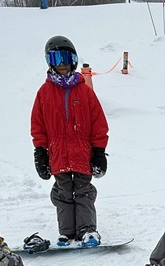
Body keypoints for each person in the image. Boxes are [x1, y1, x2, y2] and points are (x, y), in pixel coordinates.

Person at [31, 35, 109, 248]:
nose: (62, 64)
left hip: (83, 154)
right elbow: (38, 126)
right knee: (63, 192)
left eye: (66, 58)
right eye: (56, 59)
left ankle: (87, 230)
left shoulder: (84, 92)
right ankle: (67, 232)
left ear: (73, 60)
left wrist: (99, 152)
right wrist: (40, 152)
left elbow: (99, 124)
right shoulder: (44, 93)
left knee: (84, 190)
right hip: (57, 155)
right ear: (49, 62)